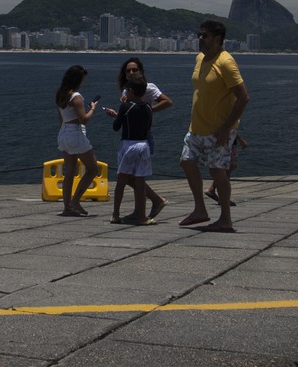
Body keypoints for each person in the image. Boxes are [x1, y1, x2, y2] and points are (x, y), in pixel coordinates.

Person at [178, 20, 249, 231]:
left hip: (218, 130)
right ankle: (200, 209)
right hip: (196, 127)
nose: (200, 38)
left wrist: (227, 129)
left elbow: (243, 98)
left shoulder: (226, 62)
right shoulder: (199, 58)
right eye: (199, 34)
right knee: (186, 162)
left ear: (217, 40)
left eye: (205, 36)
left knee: (218, 172)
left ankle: (225, 218)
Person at [104, 57, 169, 221]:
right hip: (139, 138)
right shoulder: (126, 92)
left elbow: (167, 102)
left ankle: (150, 203)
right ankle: (142, 210)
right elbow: (126, 115)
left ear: (141, 71)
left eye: (135, 69)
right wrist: (140, 111)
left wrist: (146, 111)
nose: (131, 72)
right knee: (136, 177)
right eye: (128, 70)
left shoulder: (149, 88)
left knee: (128, 177)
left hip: (139, 138)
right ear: (124, 74)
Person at [54, 65, 100, 217]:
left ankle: (67, 206)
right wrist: (93, 108)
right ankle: (75, 200)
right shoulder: (76, 97)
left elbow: (61, 118)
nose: (84, 82)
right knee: (93, 169)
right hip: (75, 133)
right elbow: (84, 119)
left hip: (64, 132)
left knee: (70, 171)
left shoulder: (61, 95)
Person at [110, 76, 154, 224]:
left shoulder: (125, 107)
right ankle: (141, 215)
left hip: (129, 144)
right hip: (144, 145)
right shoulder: (148, 106)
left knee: (122, 180)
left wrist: (119, 111)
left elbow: (116, 127)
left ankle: (115, 213)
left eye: (127, 90)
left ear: (131, 91)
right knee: (140, 181)